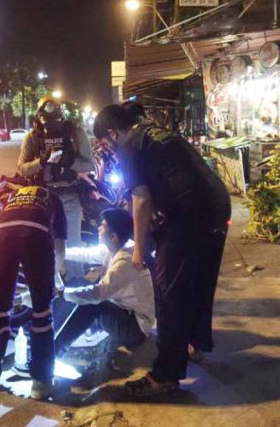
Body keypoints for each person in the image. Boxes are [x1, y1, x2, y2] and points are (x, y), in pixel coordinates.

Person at [93, 104, 231, 396]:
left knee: (168, 294)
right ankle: (194, 344)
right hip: (217, 207)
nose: (109, 151)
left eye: (105, 144)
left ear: (112, 134)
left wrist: (138, 249)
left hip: (189, 216)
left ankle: (165, 375)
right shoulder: (159, 134)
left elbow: (141, 199)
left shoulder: (129, 144)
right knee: (198, 282)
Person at [0, 185, 67, 400]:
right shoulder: (54, 198)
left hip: (1, 232)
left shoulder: (14, 196)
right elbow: (60, 248)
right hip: (36, 233)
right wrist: (52, 279)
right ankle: (41, 383)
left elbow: (11, 228)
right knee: (42, 311)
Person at [55, 209, 155, 366]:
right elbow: (85, 254)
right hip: (123, 312)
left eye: (102, 225)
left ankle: (54, 352)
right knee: (79, 288)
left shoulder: (125, 261)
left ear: (113, 237)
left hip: (136, 328)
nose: (98, 228)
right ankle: (61, 337)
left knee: (93, 304)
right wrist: (59, 252)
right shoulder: (116, 246)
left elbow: (98, 295)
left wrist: (61, 293)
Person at [17, 96, 94, 281]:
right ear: (39, 116)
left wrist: (70, 162)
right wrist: (42, 161)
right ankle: (48, 282)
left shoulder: (75, 134)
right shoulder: (33, 137)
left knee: (73, 242)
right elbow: (22, 169)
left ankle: (75, 280)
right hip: (44, 197)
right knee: (45, 242)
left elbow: (90, 164)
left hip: (70, 193)